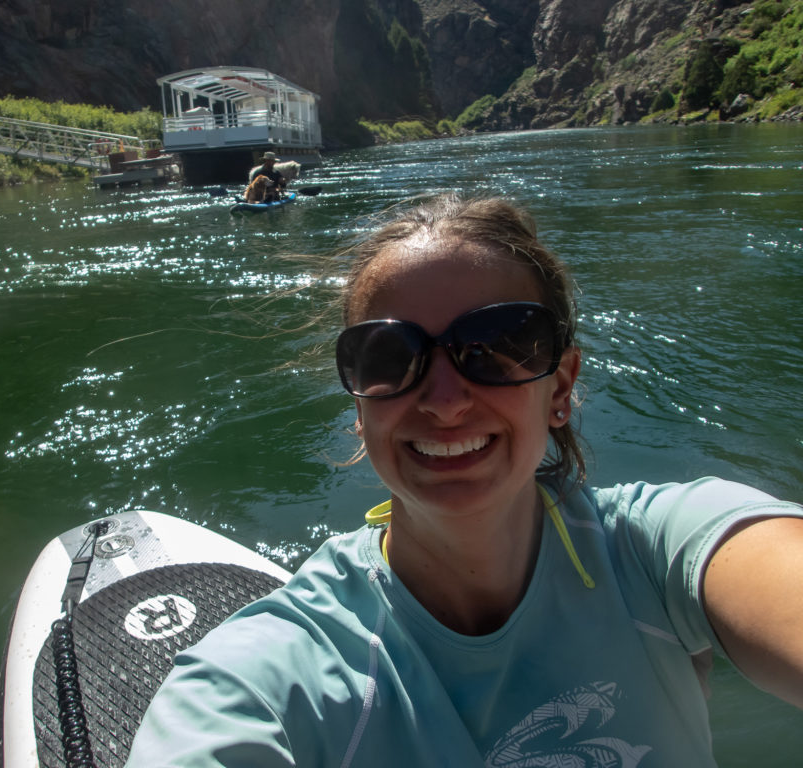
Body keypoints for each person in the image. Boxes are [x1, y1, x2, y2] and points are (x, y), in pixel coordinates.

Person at [125, 195, 803, 766]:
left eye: (500, 345)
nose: (446, 400)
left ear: (561, 385)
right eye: (391, 357)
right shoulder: (273, 674)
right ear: (360, 405)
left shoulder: (660, 553)